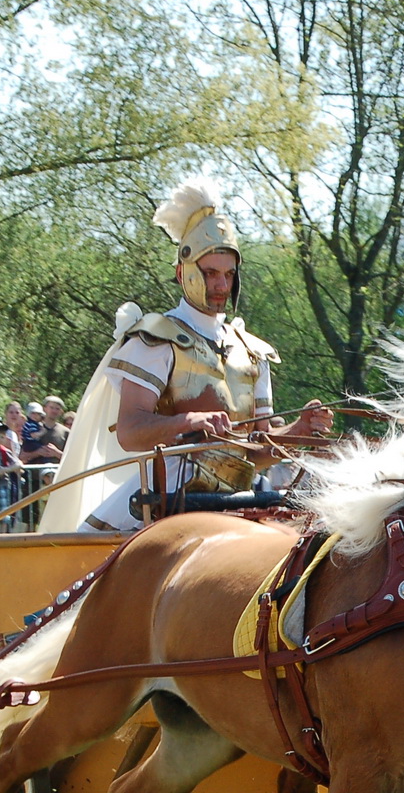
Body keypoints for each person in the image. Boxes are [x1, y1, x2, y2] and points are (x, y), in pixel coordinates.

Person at [41, 179, 331, 533]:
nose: (222, 286)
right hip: (162, 501)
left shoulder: (252, 352)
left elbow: (255, 452)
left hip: (236, 503)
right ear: (183, 272)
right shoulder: (156, 339)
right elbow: (130, 432)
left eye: (228, 274)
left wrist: (296, 432)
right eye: (210, 274)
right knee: (81, 573)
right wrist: (187, 421)